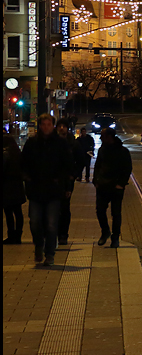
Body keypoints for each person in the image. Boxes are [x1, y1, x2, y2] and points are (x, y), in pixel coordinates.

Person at [20, 114, 75, 266]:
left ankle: (49, 253)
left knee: (51, 224)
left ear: (53, 126)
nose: (45, 127)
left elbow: (68, 165)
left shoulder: (60, 144)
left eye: (48, 124)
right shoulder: (32, 143)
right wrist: (27, 177)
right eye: (43, 124)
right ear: (39, 126)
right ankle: (39, 245)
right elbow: (23, 162)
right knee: (35, 222)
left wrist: (63, 183)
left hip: (53, 190)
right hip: (36, 189)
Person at [93, 128, 133, 248]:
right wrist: (96, 181)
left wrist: (121, 184)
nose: (101, 138)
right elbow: (97, 166)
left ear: (110, 137)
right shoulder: (102, 150)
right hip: (103, 186)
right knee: (100, 210)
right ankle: (105, 231)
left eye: (103, 136)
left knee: (116, 213)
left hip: (116, 187)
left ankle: (115, 237)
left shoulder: (122, 151)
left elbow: (127, 168)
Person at [55, 119, 80, 246]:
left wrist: (73, 176)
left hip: (67, 180)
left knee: (64, 207)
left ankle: (63, 234)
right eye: (60, 126)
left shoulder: (72, 143)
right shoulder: (51, 142)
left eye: (64, 126)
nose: (62, 128)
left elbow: (78, 160)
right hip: (53, 180)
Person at [3, 134, 26, 244]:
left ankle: (11, 235)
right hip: (18, 187)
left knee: (8, 213)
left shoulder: (5, 155)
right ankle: (18, 235)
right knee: (18, 212)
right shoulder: (18, 154)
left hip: (6, 187)